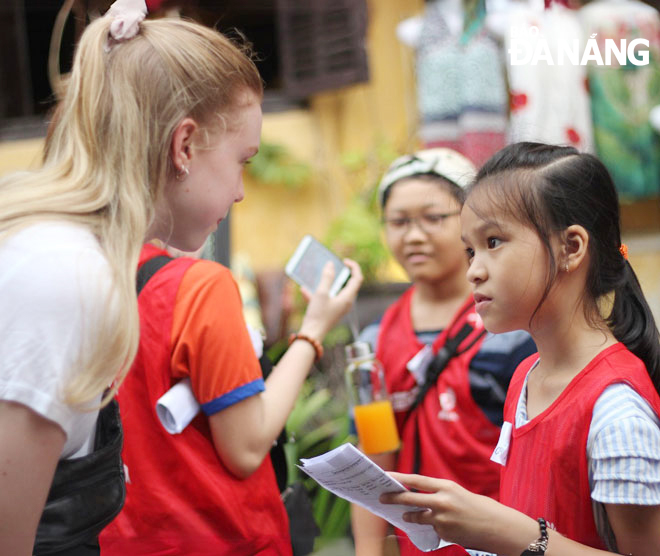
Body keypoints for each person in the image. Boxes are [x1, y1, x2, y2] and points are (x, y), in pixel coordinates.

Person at [0, 0, 359, 554]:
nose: (241, 190)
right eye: (242, 159)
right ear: (184, 145)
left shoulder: (72, 260)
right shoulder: (64, 275)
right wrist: (313, 330)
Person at [381, 142, 660, 555]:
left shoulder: (615, 412)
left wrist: (512, 534)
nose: (474, 271)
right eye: (470, 250)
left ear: (571, 248)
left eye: (494, 242)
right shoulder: (526, 376)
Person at [351, 148, 536, 556]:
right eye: (399, 222)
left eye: (433, 218)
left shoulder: (513, 331)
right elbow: (374, 463)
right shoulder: (376, 340)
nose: (414, 235)